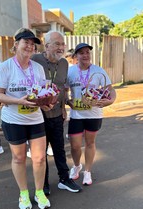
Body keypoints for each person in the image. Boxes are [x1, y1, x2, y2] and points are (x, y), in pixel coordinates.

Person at [0, 28, 51, 209]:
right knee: (18, 159)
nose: (29, 46)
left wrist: (45, 102)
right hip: (13, 120)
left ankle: (39, 193)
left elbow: (41, 93)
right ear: (16, 44)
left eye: (33, 44)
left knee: (40, 158)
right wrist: (18, 101)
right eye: (26, 42)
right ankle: (23, 194)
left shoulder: (38, 68)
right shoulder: (5, 67)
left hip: (35, 119)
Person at [31, 30, 82, 196]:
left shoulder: (64, 64)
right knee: (41, 153)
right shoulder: (35, 60)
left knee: (59, 149)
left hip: (57, 115)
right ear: (46, 46)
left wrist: (63, 108)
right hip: (38, 116)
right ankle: (43, 184)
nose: (61, 47)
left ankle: (64, 179)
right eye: (57, 44)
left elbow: (62, 88)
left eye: (62, 44)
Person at [65, 43, 116, 185]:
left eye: (87, 52)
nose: (85, 55)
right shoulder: (70, 72)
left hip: (94, 114)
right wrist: (68, 102)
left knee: (90, 143)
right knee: (74, 145)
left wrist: (109, 101)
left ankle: (87, 171)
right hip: (76, 115)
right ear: (76, 56)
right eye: (81, 53)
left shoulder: (98, 71)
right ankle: (76, 166)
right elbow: (64, 90)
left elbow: (110, 90)